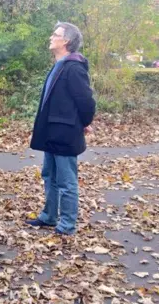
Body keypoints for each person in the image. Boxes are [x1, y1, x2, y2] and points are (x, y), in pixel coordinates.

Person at [26, 22, 96, 236]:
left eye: (55, 34)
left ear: (66, 41)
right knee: (49, 175)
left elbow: (86, 102)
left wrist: (84, 123)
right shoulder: (59, 65)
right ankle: (49, 216)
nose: (50, 37)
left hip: (65, 133)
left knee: (66, 181)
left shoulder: (73, 67)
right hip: (52, 132)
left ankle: (66, 225)